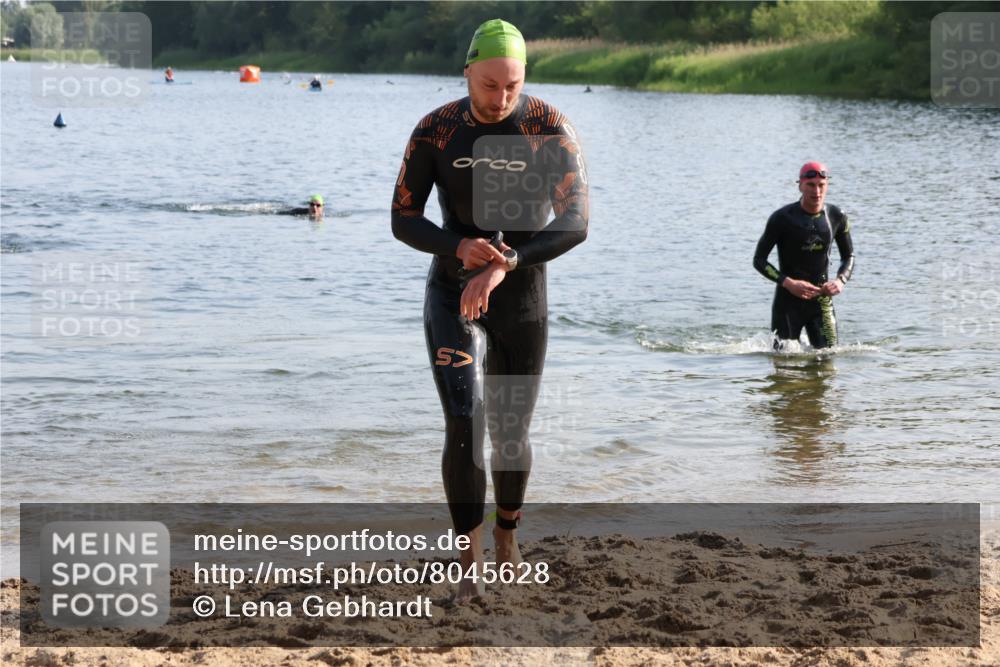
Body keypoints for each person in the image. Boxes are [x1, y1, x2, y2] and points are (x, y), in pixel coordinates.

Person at [391, 18, 588, 600]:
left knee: (509, 429)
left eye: (512, 85)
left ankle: (507, 536)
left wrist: (504, 262)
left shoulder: (547, 127)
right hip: (452, 291)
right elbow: (403, 218)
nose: (501, 98)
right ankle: (469, 558)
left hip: (521, 295)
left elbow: (576, 221)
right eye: (489, 85)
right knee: (464, 420)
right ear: (468, 73)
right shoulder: (436, 130)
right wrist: (458, 246)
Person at [753, 162, 855, 349]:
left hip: (822, 301)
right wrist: (789, 283)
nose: (816, 191)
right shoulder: (782, 218)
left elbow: (849, 256)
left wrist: (840, 281)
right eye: (810, 185)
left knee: (828, 361)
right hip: (787, 303)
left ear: (827, 186)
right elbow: (759, 260)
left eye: (821, 185)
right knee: (784, 367)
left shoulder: (837, 216)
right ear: (800, 185)